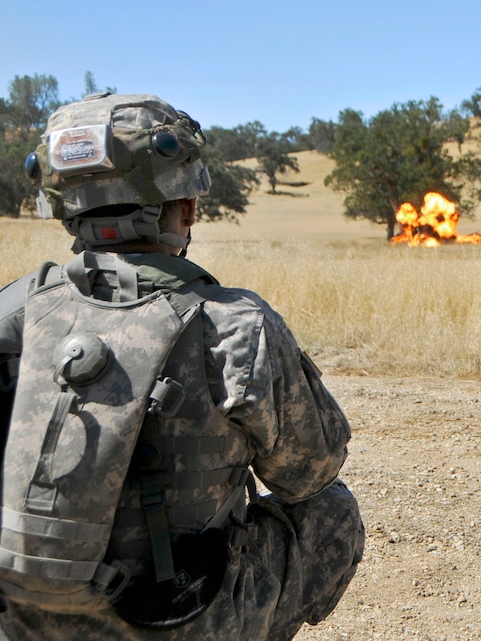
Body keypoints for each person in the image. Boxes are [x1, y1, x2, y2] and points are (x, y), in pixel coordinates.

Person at [0, 93, 364, 640]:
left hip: (25, 618)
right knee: (331, 508)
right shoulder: (235, 324)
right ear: (186, 206)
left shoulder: (14, 312)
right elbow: (310, 471)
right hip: (181, 617)